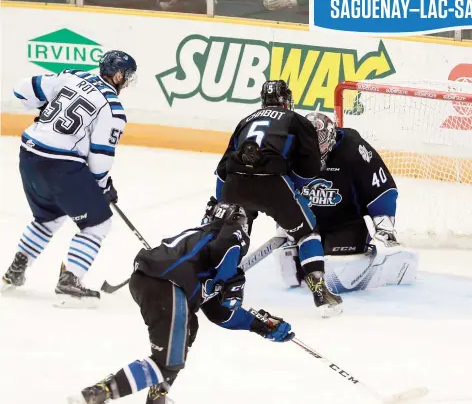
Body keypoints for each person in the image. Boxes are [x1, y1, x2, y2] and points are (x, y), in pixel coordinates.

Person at [68, 202, 294, 404]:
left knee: (187, 331)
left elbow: (219, 312)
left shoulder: (203, 248)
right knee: (167, 362)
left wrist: (258, 325)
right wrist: (231, 280)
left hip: (151, 282)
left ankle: (157, 397)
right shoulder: (228, 236)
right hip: (168, 286)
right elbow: (228, 249)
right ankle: (97, 394)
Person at [1, 50, 137, 305]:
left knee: (48, 216)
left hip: (29, 154)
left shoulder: (72, 76)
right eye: (126, 76)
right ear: (118, 75)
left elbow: (21, 90)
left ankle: (16, 269)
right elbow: (99, 157)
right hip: (60, 165)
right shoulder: (113, 109)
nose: (126, 82)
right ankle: (70, 281)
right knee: (97, 224)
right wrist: (102, 187)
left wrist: (45, 108)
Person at [212, 80, 343, 318]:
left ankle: (221, 287)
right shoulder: (296, 120)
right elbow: (310, 168)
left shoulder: (246, 120)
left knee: (232, 234)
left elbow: (223, 168)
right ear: (286, 100)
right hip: (273, 183)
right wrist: (293, 187)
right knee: (307, 233)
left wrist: (219, 204)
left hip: (235, 183)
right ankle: (320, 291)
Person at [275, 112, 418, 293]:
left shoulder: (354, 149)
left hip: (346, 222)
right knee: (292, 270)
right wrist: (285, 221)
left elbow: (382, 188)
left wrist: (384, 229)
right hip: (308, 221)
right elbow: (280, 187)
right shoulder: (289, 150)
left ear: (331, 137)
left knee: (333, 267)